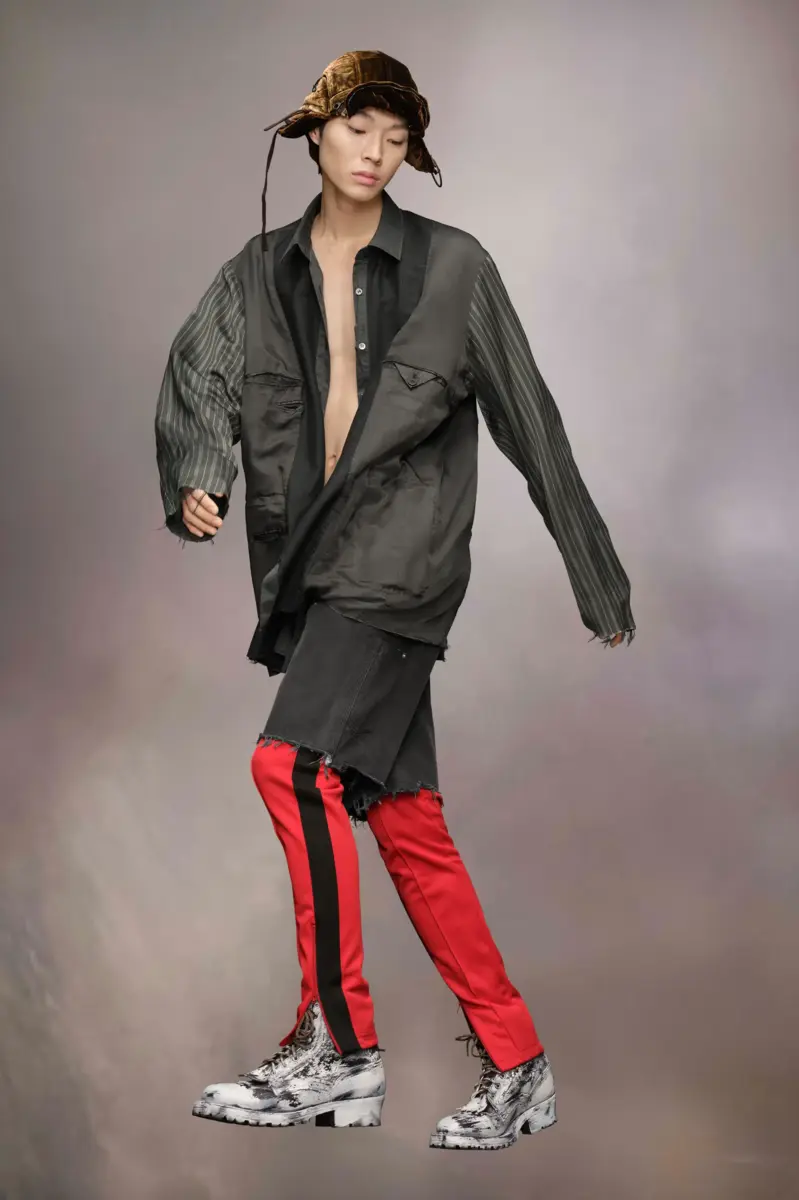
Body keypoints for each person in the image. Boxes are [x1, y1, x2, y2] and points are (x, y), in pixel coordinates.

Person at [154, 49, 635, 1151]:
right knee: (408, 821)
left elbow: (530, 418)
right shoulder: (258, 272)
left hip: (403, 568)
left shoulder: (455, 268)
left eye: (396, 137)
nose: (375, 152)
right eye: (358, 128)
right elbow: (198, 373)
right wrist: (197, 471)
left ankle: (338, 1049)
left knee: (292, 767)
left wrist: (594, 570)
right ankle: (516, 1065)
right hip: (314, 574)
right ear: (314, 134)